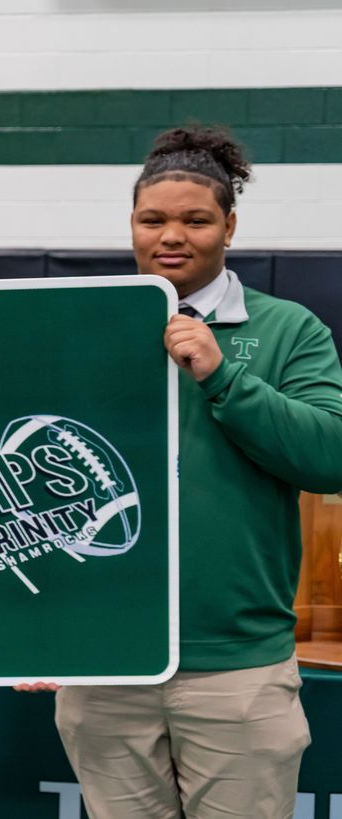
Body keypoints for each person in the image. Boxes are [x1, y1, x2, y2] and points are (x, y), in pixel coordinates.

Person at [29, 126, 342, 818]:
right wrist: (36, 627)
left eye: (196, 220)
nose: (173, 235)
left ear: (229, 226)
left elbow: (331, 458)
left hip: (238, 666)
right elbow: (26, 481)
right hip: (108, 660)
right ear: (132, 225)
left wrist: (225, 376)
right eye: (154, 219)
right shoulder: (82, 328)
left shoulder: (290, 329)